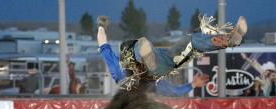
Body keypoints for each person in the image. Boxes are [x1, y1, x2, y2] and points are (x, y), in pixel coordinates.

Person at [98, 14, 247, 91]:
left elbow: (103, 43)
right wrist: (101, 26)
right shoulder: (124, 69)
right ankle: (228, 40)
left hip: (160, 64)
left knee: (191, 40)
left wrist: (101, 26)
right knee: (188, 41)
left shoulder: (117, 68)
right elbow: (103, 43)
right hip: (159, 64)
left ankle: (229, 38)